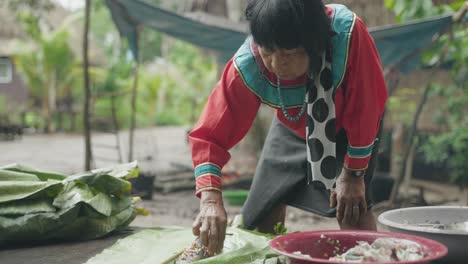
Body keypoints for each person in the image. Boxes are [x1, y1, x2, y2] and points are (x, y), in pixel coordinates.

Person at [189, 0, 387, 256]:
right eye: (268, 51)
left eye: (289, 53)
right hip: (290, 122)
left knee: (351, 211)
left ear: (314, 42)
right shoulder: (249, 63)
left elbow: (367, 105)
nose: (276, 63)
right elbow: (209, 135)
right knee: (259, 217)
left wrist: (353, 174)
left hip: (352, 129)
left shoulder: (347, 34)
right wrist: (210, 200)